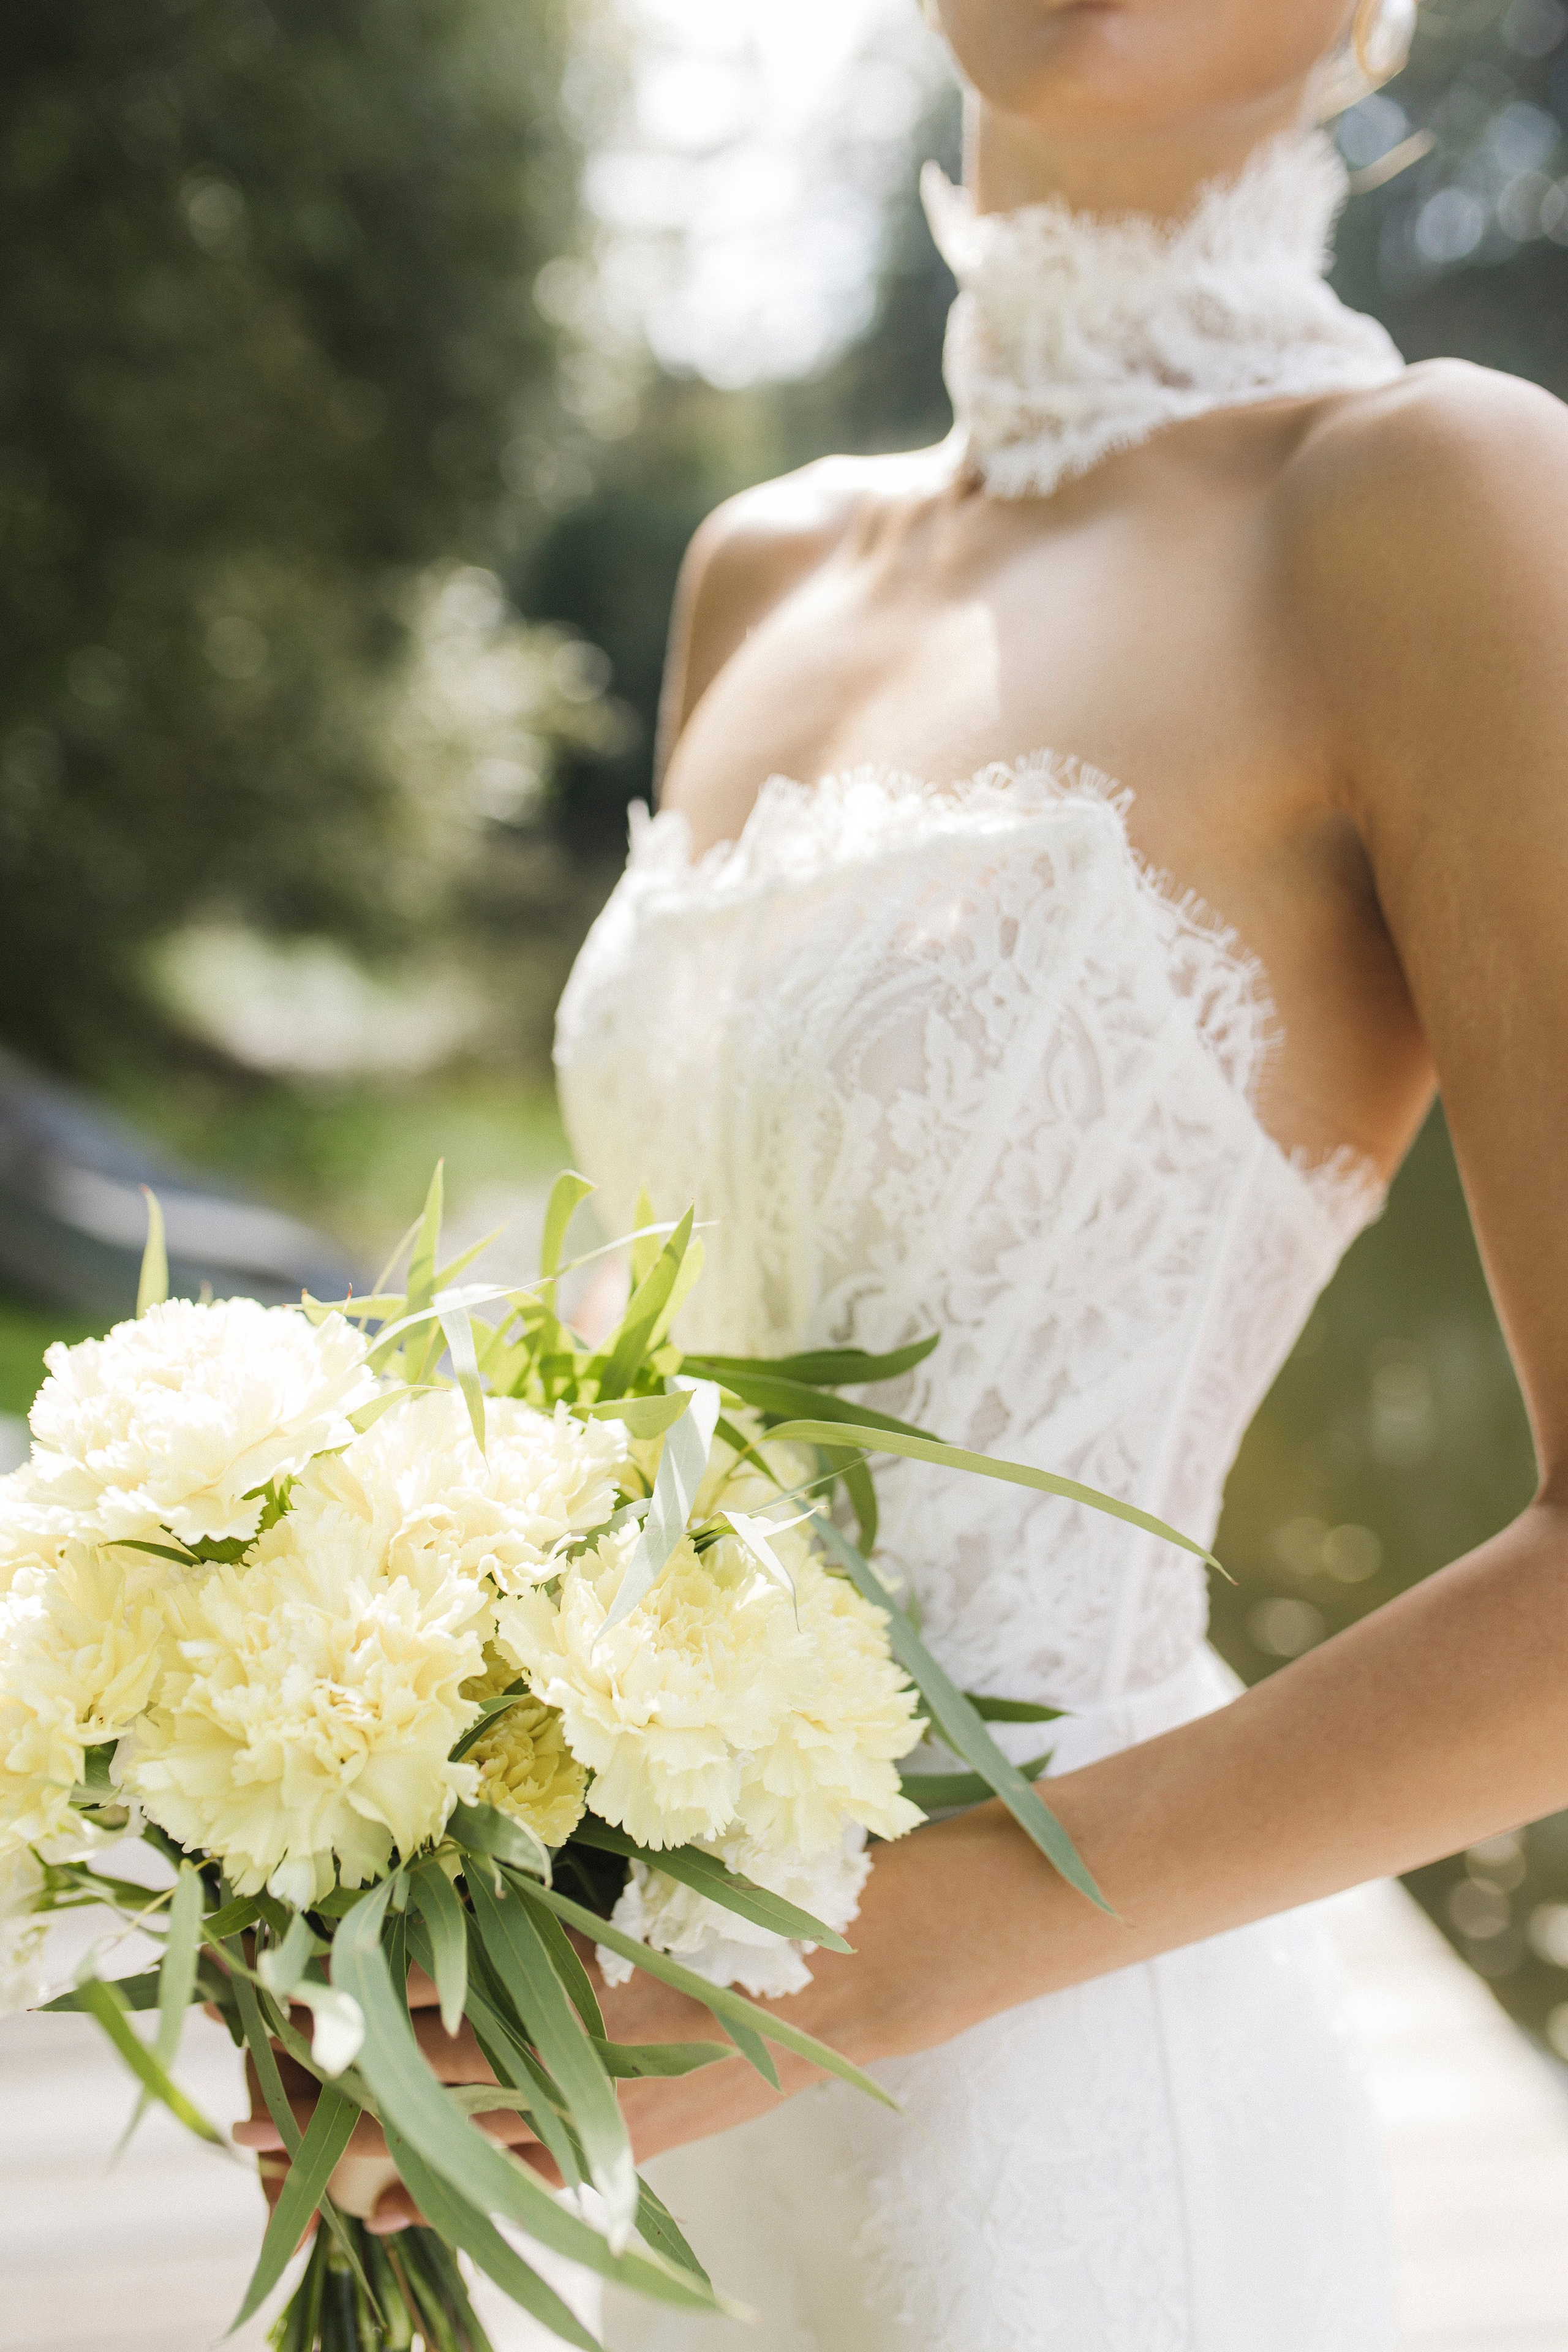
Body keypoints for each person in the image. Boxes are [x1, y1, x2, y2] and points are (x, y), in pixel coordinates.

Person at [241, 2, 1568, 2344]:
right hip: (631, 2095)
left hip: (1045, 2121)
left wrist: (870, 1969)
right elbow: (662, 1381)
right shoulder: (765, 565)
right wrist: (371, 1877)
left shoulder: (1433, 500)